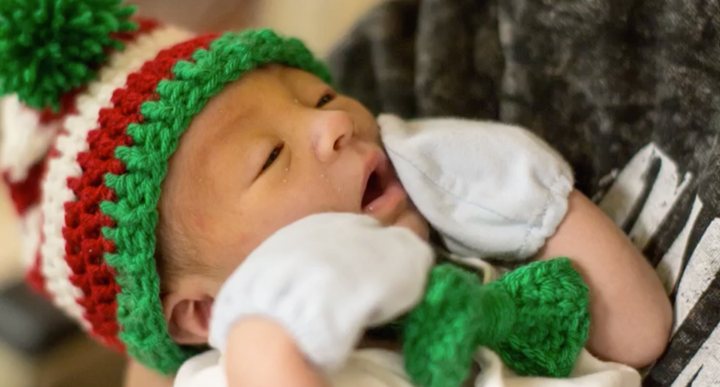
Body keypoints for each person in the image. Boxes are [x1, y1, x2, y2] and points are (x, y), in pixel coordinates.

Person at [0, 2, 670, 386]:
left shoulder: (464, 262)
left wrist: (527, 196)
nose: (334, 122)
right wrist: (267, 338)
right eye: (268, 158)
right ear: (206, 312)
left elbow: (640, 333)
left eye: (319, 94)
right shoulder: (230, 369)